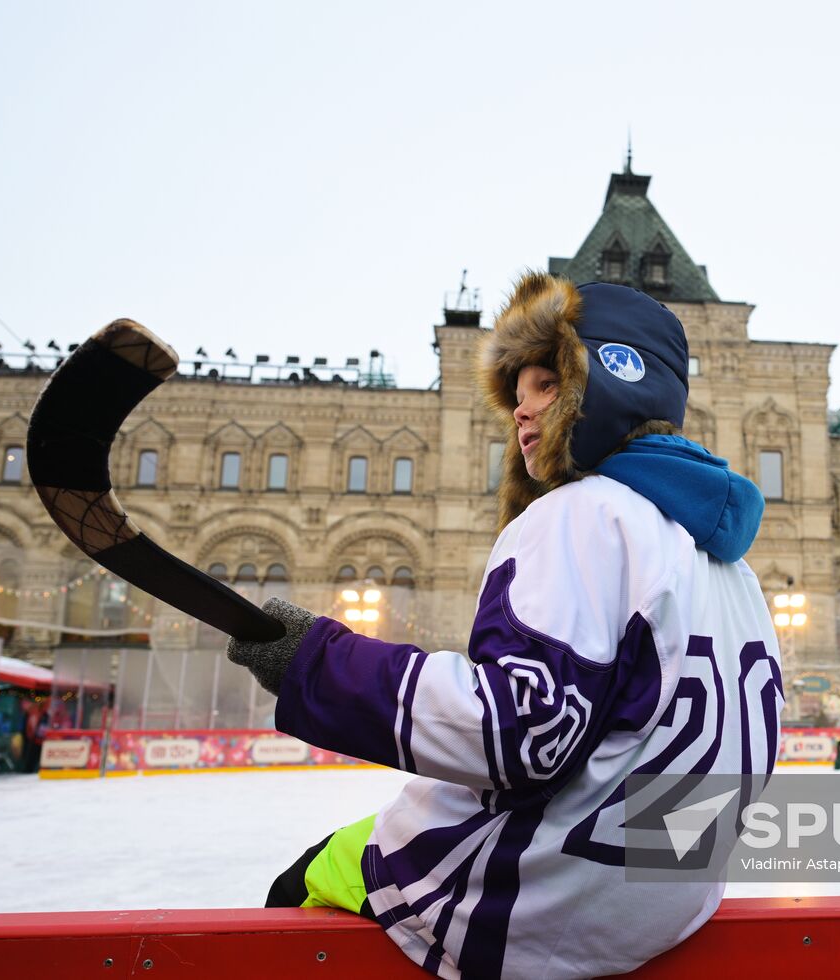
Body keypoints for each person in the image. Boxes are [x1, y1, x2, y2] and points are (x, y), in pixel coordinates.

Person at [227, 272, 781, 979]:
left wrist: (316, 660)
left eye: (547, 386)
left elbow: (520, 733)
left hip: (540, 900)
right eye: (516, 397)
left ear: (610, 383)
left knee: (304, 881)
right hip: (667, 901)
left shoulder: (583, 513)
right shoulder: (732, 567)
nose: (521, 415)